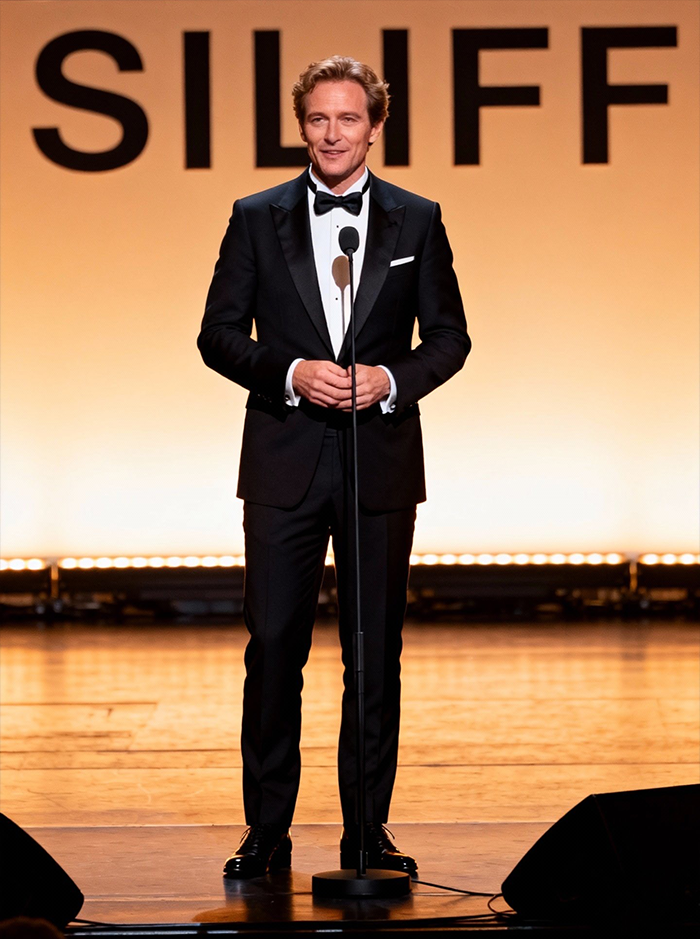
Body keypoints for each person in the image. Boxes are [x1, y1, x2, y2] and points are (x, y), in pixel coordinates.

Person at [198, 55, 471, 879]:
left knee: (373, 651)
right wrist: (289, 371)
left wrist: (389, 379)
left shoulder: (417, 219)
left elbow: (449, 338)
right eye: (318, 118)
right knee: (274, 648)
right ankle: (265, 830)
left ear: (375, 127)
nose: (332, 133)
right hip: (283, 461)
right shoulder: (256, 217)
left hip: (378, 462)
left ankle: (366, 831)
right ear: (301, 125)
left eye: (349, 118)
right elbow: (217, 334)